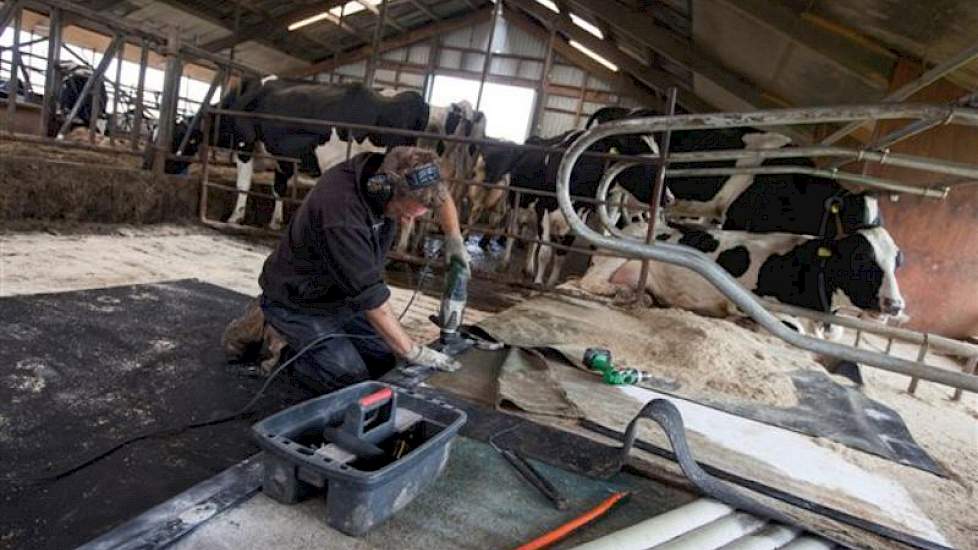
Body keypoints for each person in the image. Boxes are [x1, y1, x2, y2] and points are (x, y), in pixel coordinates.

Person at [256, 146, 471, 392]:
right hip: (299, 303)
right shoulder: (343, 215)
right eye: (403, 213)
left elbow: (439, 194)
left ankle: (308, 345)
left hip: (342, 295)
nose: (408, 221)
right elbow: (371, 297)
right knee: (350, 378)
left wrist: (454, 241)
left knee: (384, 362)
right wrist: (414, 351)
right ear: (384, 191)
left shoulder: (387, 174)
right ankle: (283, 349)